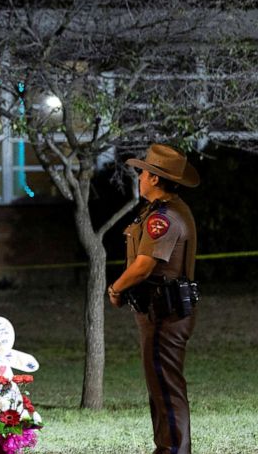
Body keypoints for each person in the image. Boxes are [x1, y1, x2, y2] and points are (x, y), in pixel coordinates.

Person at [108, 143, 200, 454]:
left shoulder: (165, 218)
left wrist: (116, 288)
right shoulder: (160, 211)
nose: (140, 177)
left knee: (166, 388)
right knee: (161, 387)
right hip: (160, 311)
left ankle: (172, 449)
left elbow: (145, 265)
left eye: (144, 173)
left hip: (165, 313)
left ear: (156, 179)